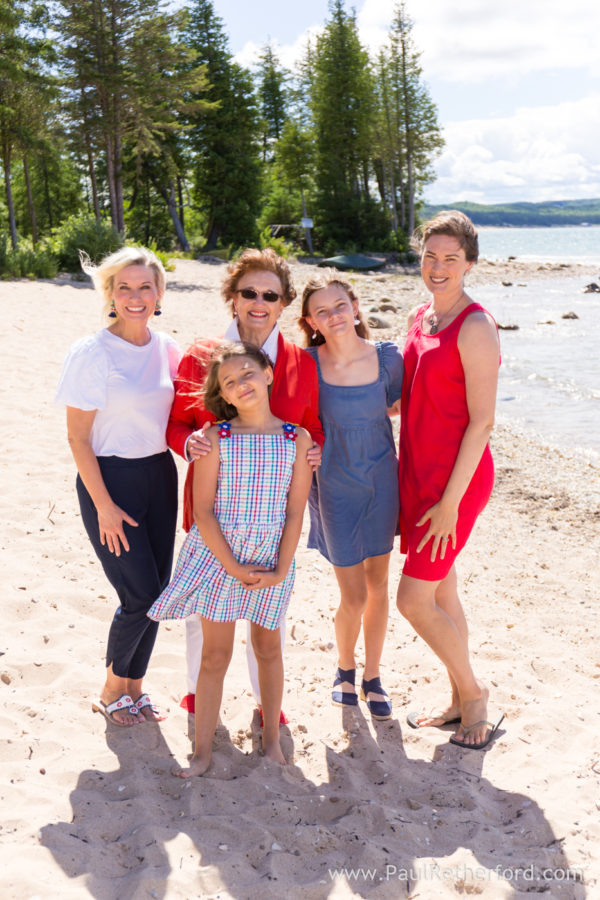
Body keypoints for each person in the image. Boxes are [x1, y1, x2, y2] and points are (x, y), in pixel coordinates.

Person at [167, 248, 324, 715]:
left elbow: (312, 427)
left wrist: (316, 448)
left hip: (271, 517)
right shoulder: (200, 354)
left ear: (283, 304)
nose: (259, 302)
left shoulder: (301, 363)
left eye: (269, 295)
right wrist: (188, 443)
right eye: (248, 292)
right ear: (232, 299)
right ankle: (198, 692)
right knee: (202, 613)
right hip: (210, 510)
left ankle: (265, 704)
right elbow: (175, 423)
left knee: (266, 615)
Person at [148, 343, 313, 776]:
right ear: (222, 393)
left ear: (269, 374)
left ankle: (272, 739)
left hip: (273, 555)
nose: (242, 385)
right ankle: (202, 752)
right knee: (214, 657)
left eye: (248, 374)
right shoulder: (215, 439)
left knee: (268, 649)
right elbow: (202, 512)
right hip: (220, 557)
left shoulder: (298, 439)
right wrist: (234, 567)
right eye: (230, 382)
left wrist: (281, 566)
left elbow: (296, 510)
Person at [55, 247, 180, 726]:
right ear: (109, 293)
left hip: (159, 477)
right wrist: (104, 505)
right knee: (140, 593)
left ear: (159, 293)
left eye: (145, 286)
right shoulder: (91, 352)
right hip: (109, 480)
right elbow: (78, 437)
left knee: (160, 591)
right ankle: (111, 689)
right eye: (123, 287)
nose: (135, 296)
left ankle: (135, 689)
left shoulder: (167, 348)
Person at [397, 210, 504, 750]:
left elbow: (482, 421)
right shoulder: (422, 317)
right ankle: (458, 700)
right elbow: (411, 398)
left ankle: (475, 693)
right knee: (442, 590)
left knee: (413, 602)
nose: (438, 267)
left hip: (453, 485)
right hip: (416, 473)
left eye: (451, 259)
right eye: (430, 256)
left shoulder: (476, 325)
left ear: (469, 263)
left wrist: (449, 505)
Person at [299, 272, 404, 720]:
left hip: (382, 481)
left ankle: (372, 675)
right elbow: (295, 420)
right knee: (354, 595)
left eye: (340, 305)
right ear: (310, 321)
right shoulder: (305, 364)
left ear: (355, 306)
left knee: (379, 586)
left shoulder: (387, 357)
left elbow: (397, 406)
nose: (334, 315)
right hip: (333, 486)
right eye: (322, 310)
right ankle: (344, 667)